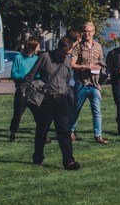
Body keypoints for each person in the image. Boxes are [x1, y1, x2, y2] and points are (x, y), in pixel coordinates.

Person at [23, 36, 81, 170]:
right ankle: (38, 157)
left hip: (62, 100)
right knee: (42, 131)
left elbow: (67, 79)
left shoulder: (67, 60)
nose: (66, 55)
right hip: (47, 100)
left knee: (64, 131)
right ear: (58, 48)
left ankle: (69, 161)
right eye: (64, 53)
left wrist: (66, 92)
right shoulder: (45, 57)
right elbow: (32, 74)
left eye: (68, 53)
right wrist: (24, 90)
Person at [69, 22, 107, 144]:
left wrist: (99, 66)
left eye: (89, 31)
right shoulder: (78, 47)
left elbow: (101, 61)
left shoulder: (98, 47)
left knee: (97, 111)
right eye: (85, 31)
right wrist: (85, 66)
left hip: (94, 84)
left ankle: (98, 135)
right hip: (81, 83)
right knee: (76, 109)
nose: (87, 33)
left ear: (94, 32)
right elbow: (72, 65)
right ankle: (70, 131)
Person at [9, 37, 41, 142]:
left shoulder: (36, 59)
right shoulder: (18, 58)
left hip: (33, 91)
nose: (39, 48)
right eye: (38, 46)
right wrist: (24, 78)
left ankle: (42, 135)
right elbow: (13, 74)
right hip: (21, 90)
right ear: (32, 47)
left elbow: (39, 74)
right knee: (18, 114)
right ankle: (13, 133)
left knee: (38, 114)